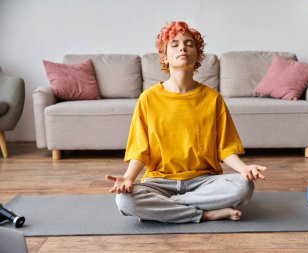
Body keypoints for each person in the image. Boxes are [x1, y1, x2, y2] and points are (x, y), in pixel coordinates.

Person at [106, 21, 267, 223]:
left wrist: (243, 168)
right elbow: (140, 150)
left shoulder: (212, 98)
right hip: (159, 181)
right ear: (165, 56)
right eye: (174, 44)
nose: (183, 47)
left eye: (189, 43)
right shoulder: (148, 98)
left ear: (197, 55)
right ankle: (205, 214)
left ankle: (163, 208)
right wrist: (129, 177)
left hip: (203, 181)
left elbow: (225, 148)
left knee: (243, 187)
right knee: (124, 201)